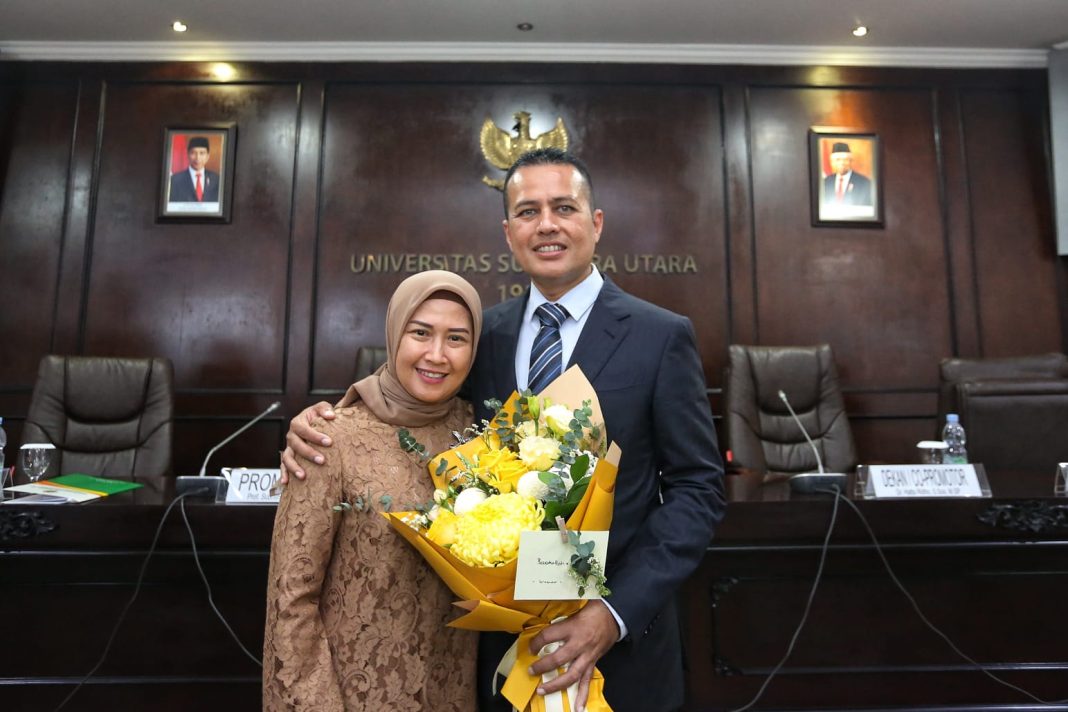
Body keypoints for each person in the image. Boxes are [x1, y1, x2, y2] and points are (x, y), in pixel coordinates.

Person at [281, 148, 726, 712]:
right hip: (497, 647)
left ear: (596, 223)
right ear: (508, 231)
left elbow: (697, 489)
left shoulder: (661, 336)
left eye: (564, 207)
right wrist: (329, 417)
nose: (546, 224)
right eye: (527, 211)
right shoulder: (480, 336)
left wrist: (611, 616)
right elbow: (409, 404)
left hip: (621, 652)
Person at [263, 270, 483, 711]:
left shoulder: (480, 436)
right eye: (420, 333)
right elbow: (292, 598)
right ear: (394, 333)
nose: (437, 354)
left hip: (452, 693)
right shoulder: (328, 438)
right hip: (349, 693)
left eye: (456, 339)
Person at [169, 136, 220, 203]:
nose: (197, 158)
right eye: (193, 153)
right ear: (188, 155)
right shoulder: (175, 179)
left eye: (202, 153)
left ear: (208, 156)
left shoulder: (216, 179)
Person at [822, 141, 872, 206]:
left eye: (845, 159)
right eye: (838, 159)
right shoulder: (826, 182)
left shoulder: (864, 183)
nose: (842, 163)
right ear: (832, 162)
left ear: (850, 161)